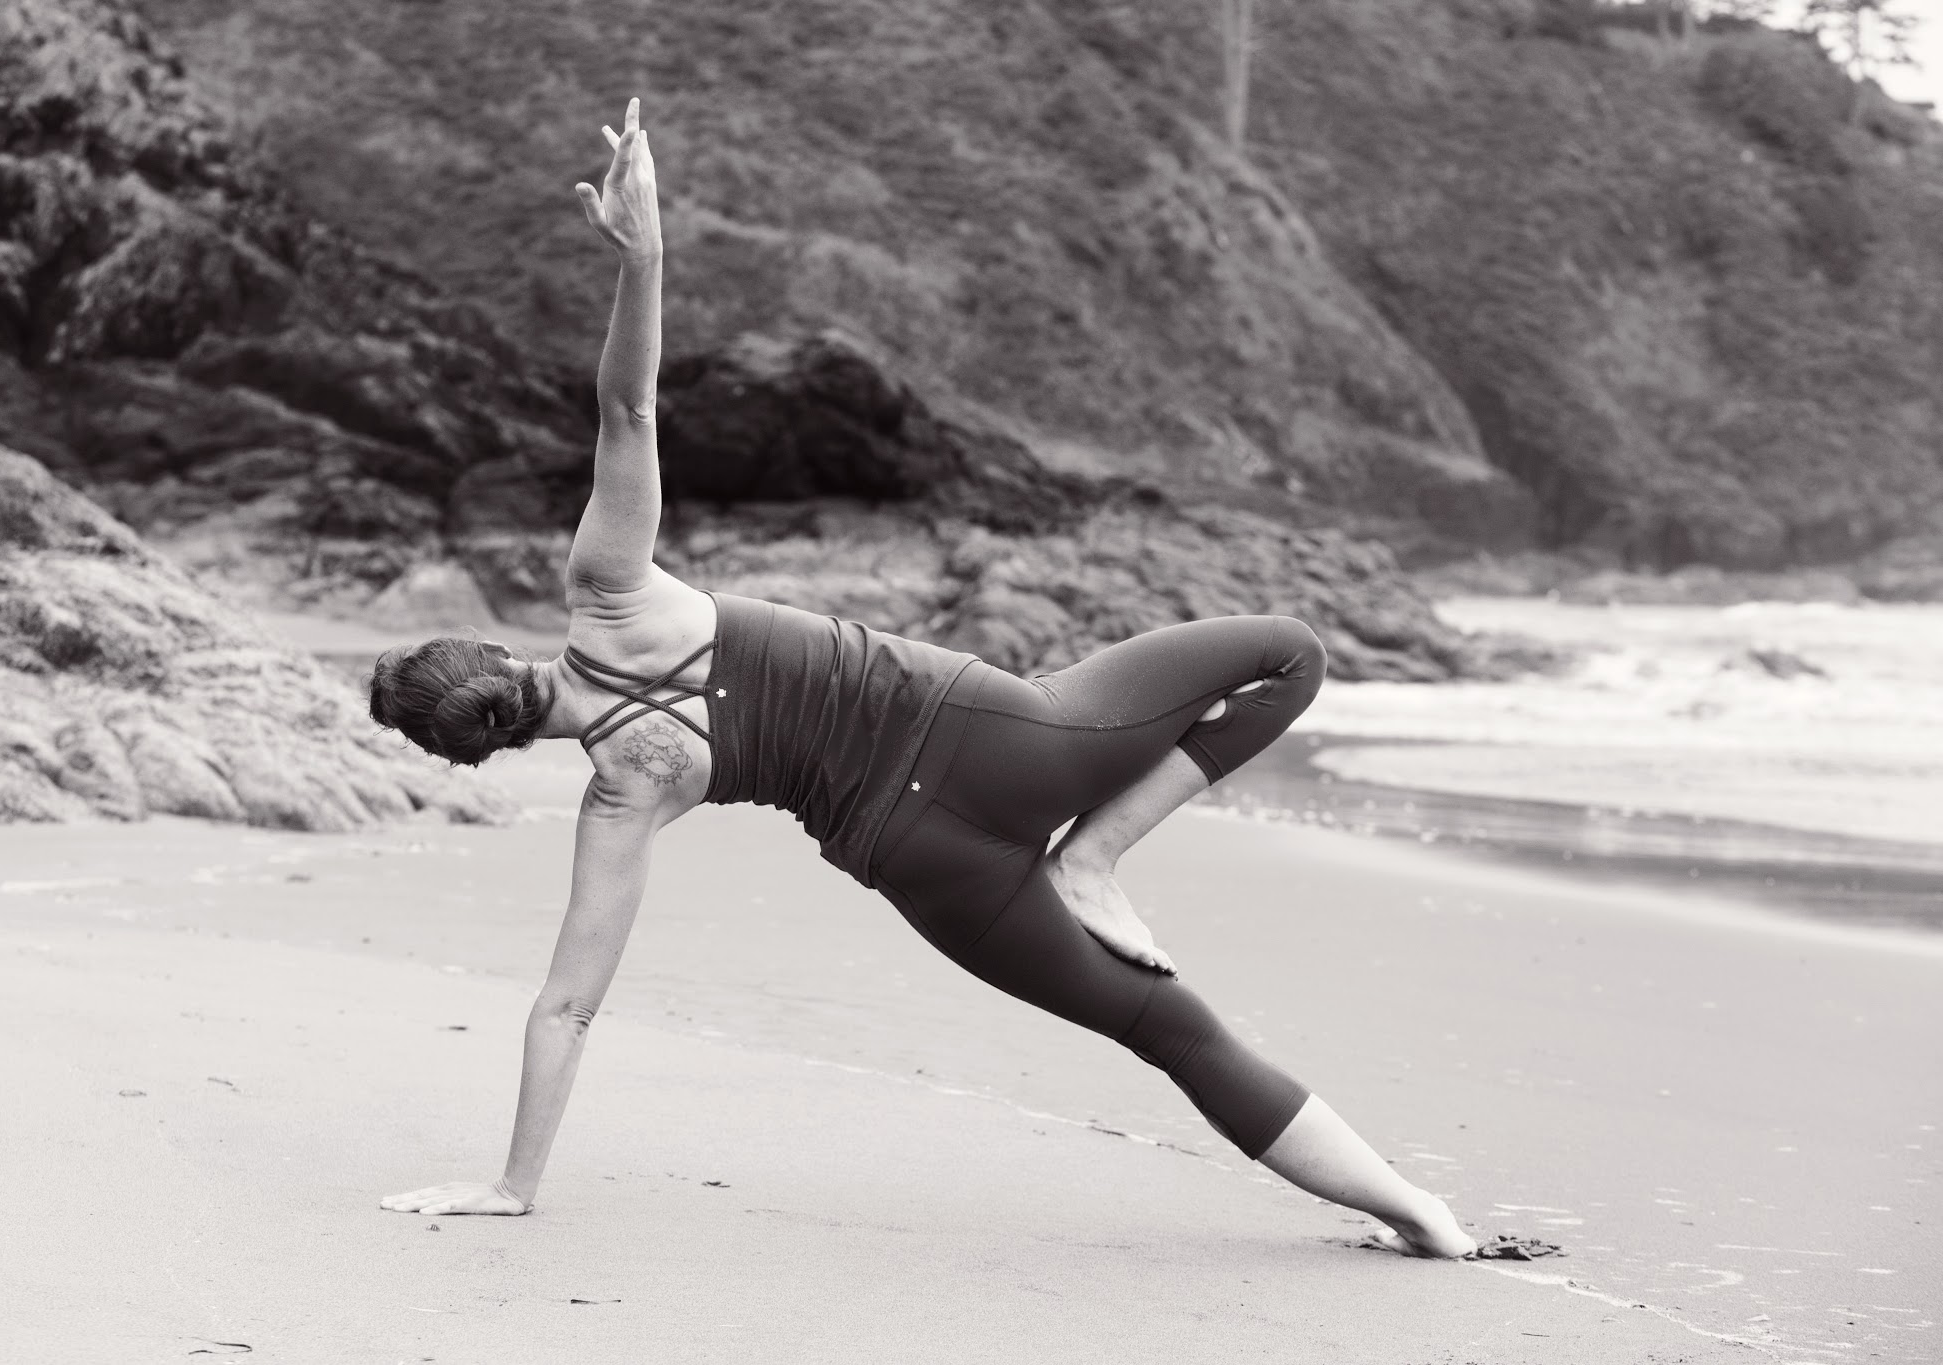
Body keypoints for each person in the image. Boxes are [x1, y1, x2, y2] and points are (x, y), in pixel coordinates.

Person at [372, 99, 1476, 1259]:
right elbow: (628, 405)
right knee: (1284, 649)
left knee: (1172, 1033)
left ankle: (1420, 1217)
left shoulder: (618, 796)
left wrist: (510, 1188)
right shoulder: (609, 594)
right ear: (494, 656)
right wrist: (643, 257)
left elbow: (568, 1005)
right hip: (998, 737)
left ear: (483, 746)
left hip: (921, 868)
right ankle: (1097, 857)